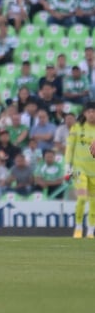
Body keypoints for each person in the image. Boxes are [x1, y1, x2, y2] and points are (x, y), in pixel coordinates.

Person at [66, 102, 95, 238]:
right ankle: (78, 228)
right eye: (89, 111)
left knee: (94, 202)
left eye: (94, 111)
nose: (91, 114)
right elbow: (69, 148)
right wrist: (67, 165)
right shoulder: (76, 128)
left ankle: (90, 231)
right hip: (79, 170)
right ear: (84, 113)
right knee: (82, 198)